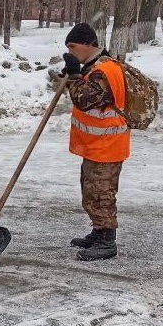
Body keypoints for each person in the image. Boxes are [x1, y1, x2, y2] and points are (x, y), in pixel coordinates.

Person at [59, 22, 129, 261]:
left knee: (101, 193)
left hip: (106, 146)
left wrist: (75, 76)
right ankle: (99, 233)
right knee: (91, 192)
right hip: (98, 145)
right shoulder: (95, 67)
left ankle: (107, 241)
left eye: (73, 46)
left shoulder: (103, 71)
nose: (70, 51)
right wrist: (75, 75)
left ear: (89, 45)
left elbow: (84, 100)